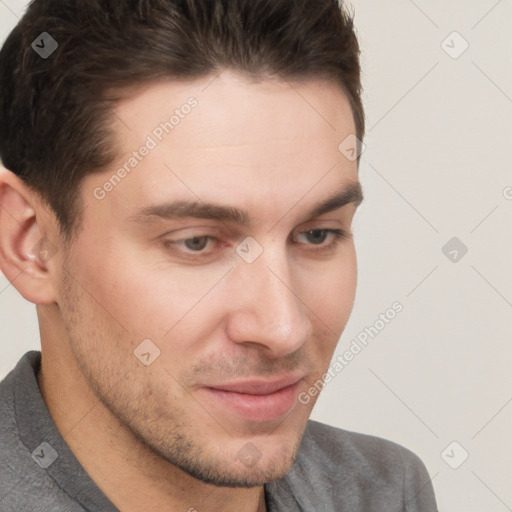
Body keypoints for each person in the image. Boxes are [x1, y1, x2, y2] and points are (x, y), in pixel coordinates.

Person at [0, 0, 438, 510]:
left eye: (317, 235)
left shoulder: (381, 492)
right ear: (29, 245)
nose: (283, 328)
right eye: (197, 242)